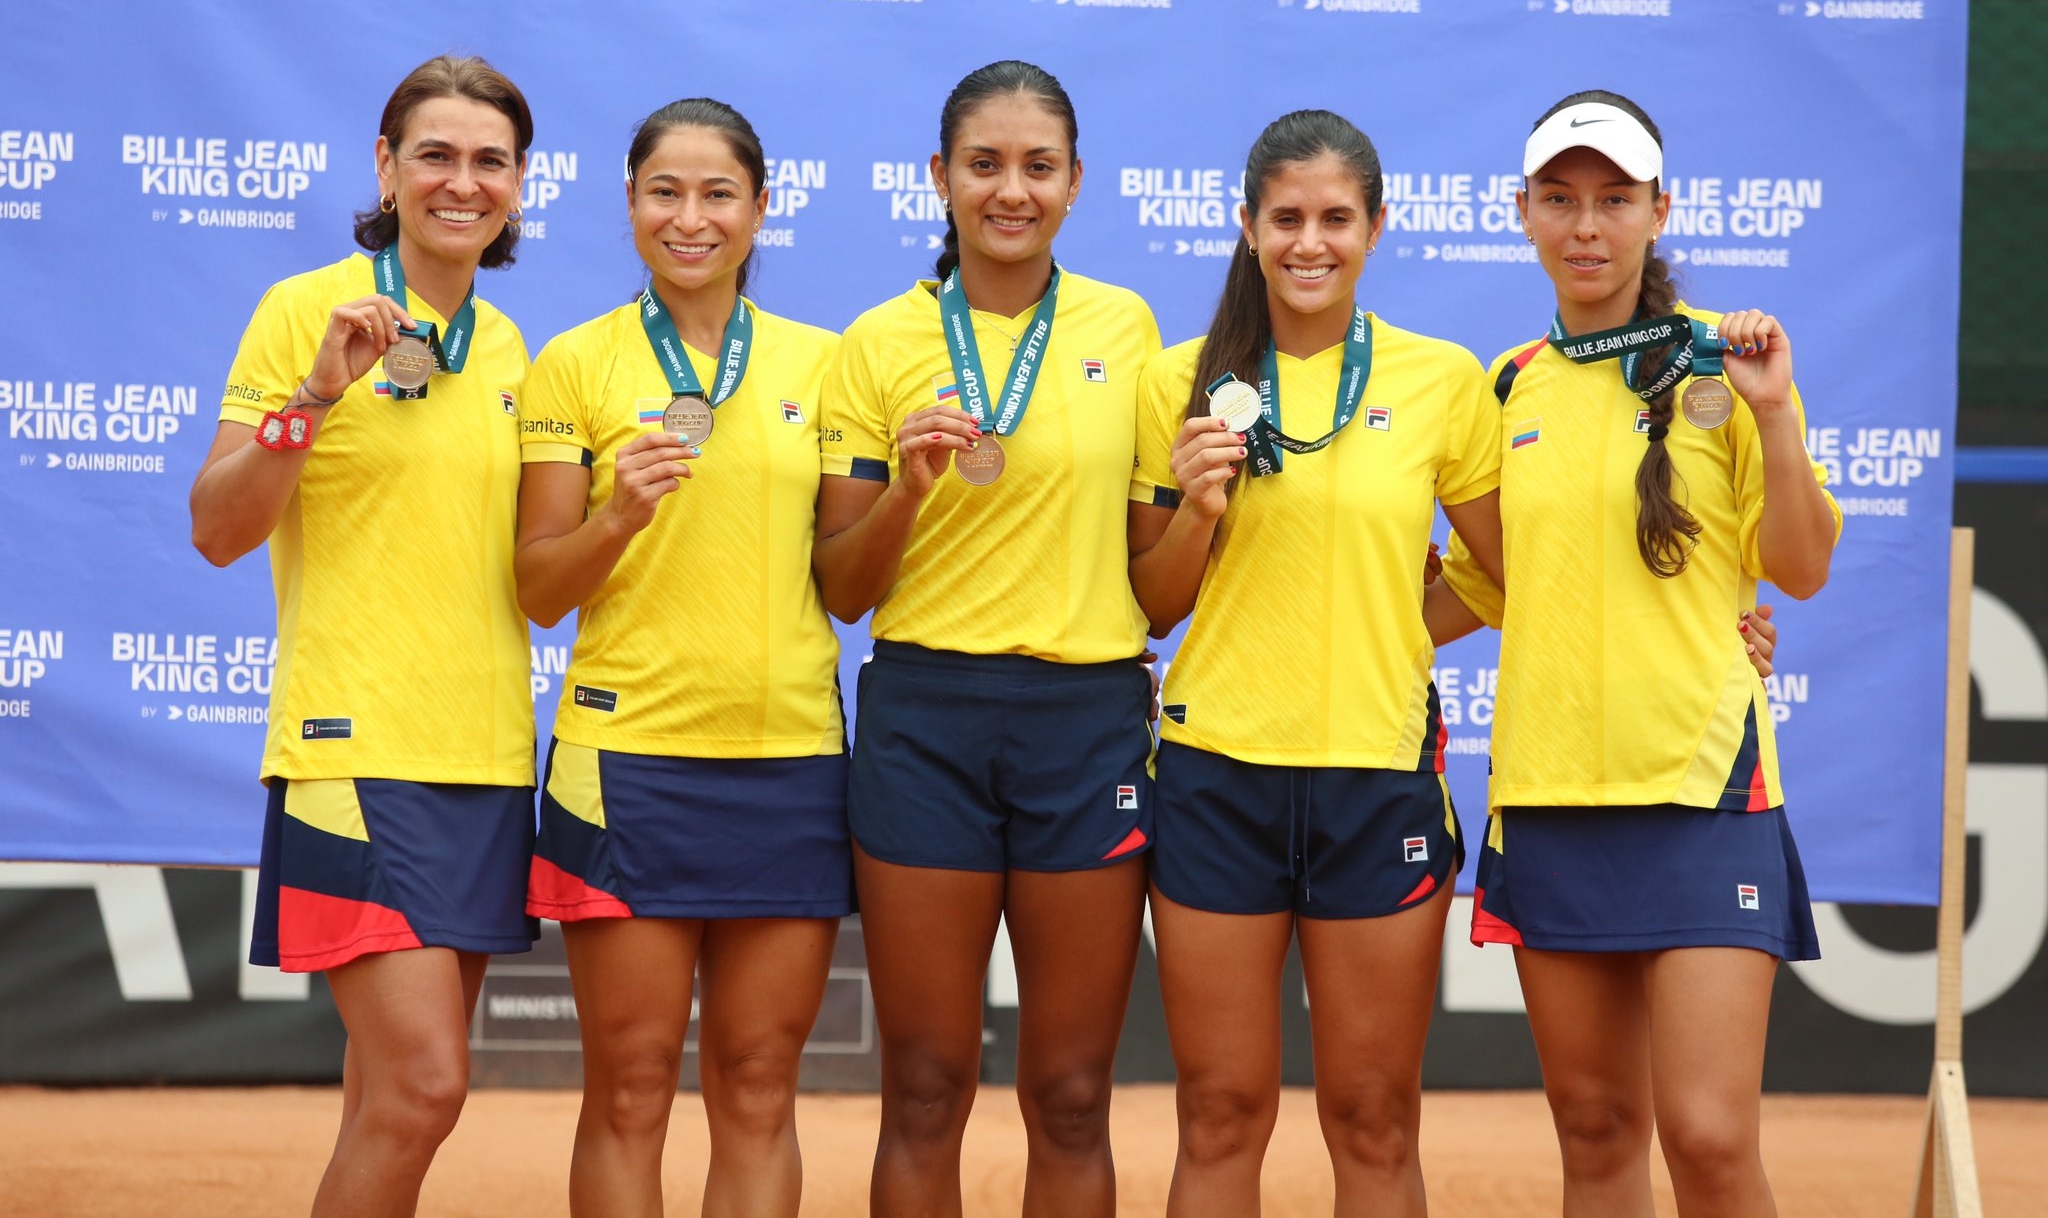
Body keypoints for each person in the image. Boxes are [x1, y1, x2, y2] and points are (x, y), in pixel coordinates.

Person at [1436, 90, 1839, 1218]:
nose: (1585, 226)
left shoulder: (1729, 364)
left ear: (1659, 210)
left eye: (1613, 199)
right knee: (1595, 1137)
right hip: (1549, 792)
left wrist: (1770, 419)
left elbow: (1798, 568)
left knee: (1707, 1140)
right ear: (1520, 213)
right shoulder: (1504, 385)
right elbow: (1474, 588)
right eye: (1559, 199)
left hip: (1702, 791)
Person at [1126, 110, 1505, 1218]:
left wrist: (1382, 621)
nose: (1309, 241)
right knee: (1219, 1113)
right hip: (1214, 776)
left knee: (1373, 1118)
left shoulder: (1439, 381)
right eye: (1285, 217)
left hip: (1375, 775)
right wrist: (1198, 510)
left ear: (1376, 228)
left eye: (1335, 218)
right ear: (1246, 227)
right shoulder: (1175, 382)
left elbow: (1512, 574)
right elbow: (1153, 601)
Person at [189, 55, 537, 1218]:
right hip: (351, 753)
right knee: (426, 1090)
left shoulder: (510, 349)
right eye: (434, 154)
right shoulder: (307, 308)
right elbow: (216, 530)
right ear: (385, 168)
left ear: (518, 186)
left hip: (484, 763)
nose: (461, 182)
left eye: (488, 160)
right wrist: (315, 396)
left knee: (384, 1094)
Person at [812, 60, 1161, 1218]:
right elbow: (842, 586)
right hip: (926, 722)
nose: (1009, 190)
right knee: (922, 1086)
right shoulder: (873, 342)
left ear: (1074, 184)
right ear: (939, 179)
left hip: (1087, 722)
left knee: (1068, 1093)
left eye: (1036, 167)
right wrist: (906, 489)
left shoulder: (1128, 327)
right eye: (983, 165)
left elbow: (1154, 577)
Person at [511, 97, 850, 1218]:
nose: (690, 217)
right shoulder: (576, 364)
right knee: (631, 1089)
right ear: (628, 203)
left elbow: (851, 578)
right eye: (665, 191)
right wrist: (616, 517)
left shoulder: (828, 364)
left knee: (758, 1089)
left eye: (717, 194)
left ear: (760, 209)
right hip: (629, 764)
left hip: (790, 760)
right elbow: (537, 585)